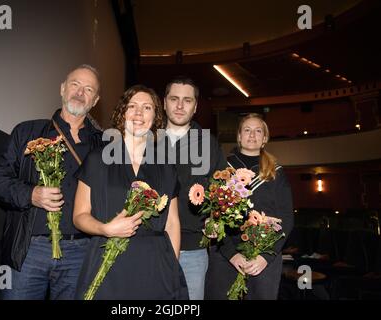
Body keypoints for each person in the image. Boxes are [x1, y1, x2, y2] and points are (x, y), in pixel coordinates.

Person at [0, 65, 104, 299]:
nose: (80, 92)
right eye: (75, 84)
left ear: (95, 100)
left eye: (88, 89)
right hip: (29, 250)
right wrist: (31, 194)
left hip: (81, 252)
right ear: (62, 88)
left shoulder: (104, 145)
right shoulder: (27, 131)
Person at [72, 85, 188, 299]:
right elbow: (79, 216)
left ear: (155, 116)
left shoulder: (165, 166)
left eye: (147, 107)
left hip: (155, 266)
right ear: (122, 113)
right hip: (107, 260)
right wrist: (105, 229)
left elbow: (172, 223)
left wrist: (173, 265)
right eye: (132, 106)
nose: (138, 113)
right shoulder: (97, 159)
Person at [205, 113, 294, 300]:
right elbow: (214, 217)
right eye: (247, 130)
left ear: (265, 138)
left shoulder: (276, 172)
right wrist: (231, 255)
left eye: (258, 130)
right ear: (238, 136)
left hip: (263, 256)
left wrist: (265, 257)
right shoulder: (223, 169)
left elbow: (287, 219)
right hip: (225, 256)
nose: (252, 135)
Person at [163, 76, 227, 299]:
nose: (180, 106)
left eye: (187, 100)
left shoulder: (209, 145)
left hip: (193, 251)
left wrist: (216, 218)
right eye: (174, 99)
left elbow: (223, 193)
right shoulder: (147, 140)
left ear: (195, 106)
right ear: (164, 103)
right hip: (150, 246)